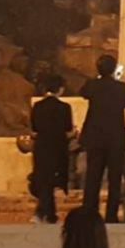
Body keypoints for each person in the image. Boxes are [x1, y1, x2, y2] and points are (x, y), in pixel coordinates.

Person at [78, 55, 125, 224]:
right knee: (114, 179)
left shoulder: (92, 85)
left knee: (93, 177)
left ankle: (89, 212)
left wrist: (97, 78)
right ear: (114, 69)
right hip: (115, 138)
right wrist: (121, 82)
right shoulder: (121, 88)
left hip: (95, 137)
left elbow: (83, 93)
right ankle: (111, 215)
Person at [30, 76, 74, 224]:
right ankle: (46, 214)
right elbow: (68, 128)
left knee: (44, 180)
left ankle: (46, 214)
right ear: (60, 89)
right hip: (58, 146)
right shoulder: (65, 107)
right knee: (51, 181)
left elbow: (34, 128)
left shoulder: (37, 106)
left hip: (41, 146)